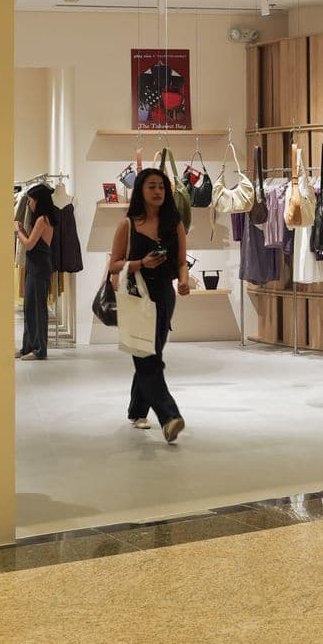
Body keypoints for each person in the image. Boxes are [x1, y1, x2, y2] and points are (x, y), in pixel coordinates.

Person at [109, 167, 190, 442]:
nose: (157, 191)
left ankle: (137, 410)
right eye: (152, 186)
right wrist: (141, 263)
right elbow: (114, 264)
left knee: (150, 352)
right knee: (146, 356)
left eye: (161, 187)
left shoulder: (174, 223)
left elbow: (182, 261)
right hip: (137, 295)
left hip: (164, 294)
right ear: (141, 191)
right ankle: (169, 417)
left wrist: (184, 281)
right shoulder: (128, 224)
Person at [14, 182, 57, 361]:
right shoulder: (43, 219)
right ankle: (28, 347)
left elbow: (30, 244)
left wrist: (18, 231)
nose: (29, 204)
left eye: (31, 201)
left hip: (39, 268)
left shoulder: (42, 220)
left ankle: (40, 349)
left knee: (38, 310)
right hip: (35, 267)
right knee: (29, 308)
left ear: (38, 201)